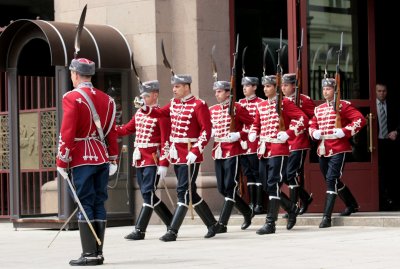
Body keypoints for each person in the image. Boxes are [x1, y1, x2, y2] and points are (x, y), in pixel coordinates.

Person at [136, 74, 217, 242]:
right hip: (177, 153)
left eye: (177, 86)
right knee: (190, 193)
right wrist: (144, 107)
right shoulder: (173, 104)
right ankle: (212, 224)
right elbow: (158, 113)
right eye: (173, 87)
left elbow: (206, 130)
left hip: (190, 153)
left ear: (187, 87)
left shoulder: (199, 104)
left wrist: (196, 150)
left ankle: (172, 230)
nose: (174, 89)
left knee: (183, 191)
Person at [56, 58, 119, 266]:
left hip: (81, 158)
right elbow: (111, 132)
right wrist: (113, 157)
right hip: (101, 157)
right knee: (99, 202)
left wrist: (62, 160)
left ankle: (89, 254)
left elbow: (67, 132)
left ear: (75, 74)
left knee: (84, 204)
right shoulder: (107, 100)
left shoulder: (72, 98)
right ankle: (98, 252)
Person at [249, 74, 308, 235]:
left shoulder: (285, 103)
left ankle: (270, 223)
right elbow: (256, 123)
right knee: (266, 184)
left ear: (276, 87)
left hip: (279, 148)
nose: (265, 89)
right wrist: (253, 132)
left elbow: (303, 119)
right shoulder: (261, 106)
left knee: (273, 183)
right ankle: (291, 207)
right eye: (264, 86)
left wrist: (289, 133)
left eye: (268, 86)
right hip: (264, 149)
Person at [116, 80, 173, 240]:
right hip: (140, 158)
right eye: (142, 95)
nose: (143, 98)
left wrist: (163, 163)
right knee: (147, 193)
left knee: (148, 192)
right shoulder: (140, 113)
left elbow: (165, 141)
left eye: (146, 95)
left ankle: (140, 230)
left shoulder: (161, 114)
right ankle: (171, 222)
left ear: (155, 95)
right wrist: (109, 128)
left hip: (153, 159)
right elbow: (127, 129)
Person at [309, 78, 366, 228]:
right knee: (332, 180)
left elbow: (360, 120)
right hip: (323, 148)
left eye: (328, 89)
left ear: (335, 90)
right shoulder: (319, 108)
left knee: (331, 179)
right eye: (323, 89)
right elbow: (312, 123)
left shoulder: (343, 105)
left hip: (338, 147)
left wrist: (345, 131)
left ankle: (326, 217)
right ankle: (351, 204)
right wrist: (314, 131)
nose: (325, 91)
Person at [209, 80, 254, 234]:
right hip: (218, 149)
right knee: (222, 188)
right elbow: (209, 127)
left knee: (230, 186)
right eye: (216, 92)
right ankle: (247, 211)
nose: (217, 94)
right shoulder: (212, 109)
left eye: (220, 91)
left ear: (228, 92)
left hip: (233, 150)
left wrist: (239, 134)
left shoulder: (237, 108)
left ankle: (222, 223)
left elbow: (253, 125)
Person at [281, 73, 315, 215]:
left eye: (286, 85)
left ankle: (293, 207)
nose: (283, 88)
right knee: (283, 176)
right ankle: (305, 197)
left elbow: (312, 118)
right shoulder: (280, 100)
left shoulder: (304, 100)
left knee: (291, 174)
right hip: (284, 141)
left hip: (298, 141)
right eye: (282, 85)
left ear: (294, 85)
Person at [238, 76, 265, 214]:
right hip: (243, 142)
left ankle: (259, 204)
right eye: (243, 86)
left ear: (254, 87)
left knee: (256, 172)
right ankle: (251, 203)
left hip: (255, 141)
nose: (244, 88)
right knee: (247, 173)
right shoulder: (240, 103)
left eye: (247, 86)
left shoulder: (261, 103)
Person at [375, 83, 400, 210]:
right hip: (375, 143)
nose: (382, 93)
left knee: (390, 171)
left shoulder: (393, 105)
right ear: (375, 92)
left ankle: (391, 199)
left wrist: (396, 131)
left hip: (390, 143)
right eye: (379, 91)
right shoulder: (371, 106)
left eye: (384, 91)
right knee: (378, 172)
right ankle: (380, 198)